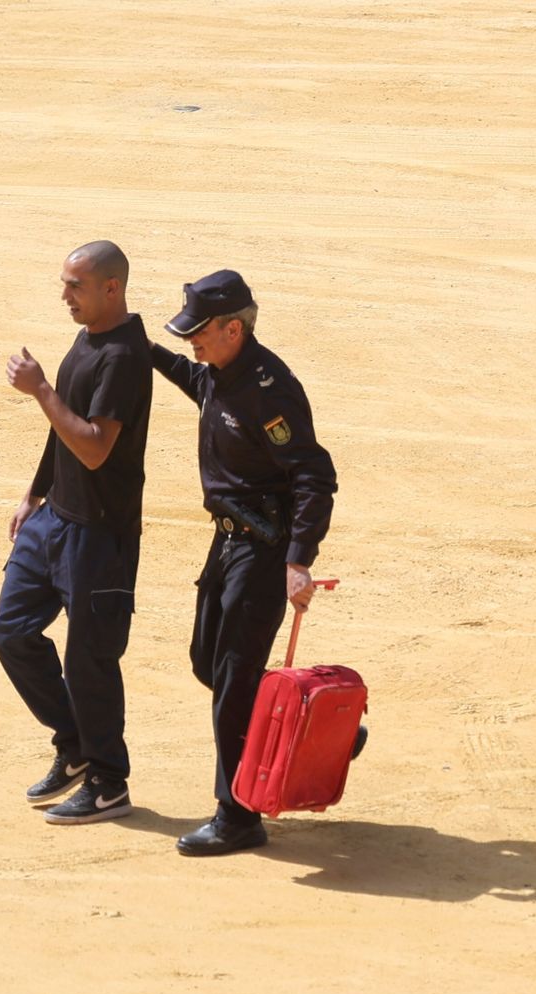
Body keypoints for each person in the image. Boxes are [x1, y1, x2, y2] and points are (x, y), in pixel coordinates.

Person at [150, 269, 342, 856]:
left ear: (234, 328)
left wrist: (298, 559)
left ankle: (236, 816)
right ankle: (313, 730)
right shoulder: (221, 371)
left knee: (232, 682)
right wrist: (147, 350)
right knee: (208, 663)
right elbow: (198, 382)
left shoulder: (269, 389)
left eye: (199, 333)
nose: (192, 344)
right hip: (228, 542)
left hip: (262, 551)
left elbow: (314, 475)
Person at [0, 241, 152, 824]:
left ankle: (109, 782)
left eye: (74, 286)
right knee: (11, 632)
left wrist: (39, 389)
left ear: (112, 287)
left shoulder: (125, 355)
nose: (64, 296)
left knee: (91, 661)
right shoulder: (88, 337)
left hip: (100, 536)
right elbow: (63, 430)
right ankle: (76, 743)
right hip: (55, 518)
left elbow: (92, 446)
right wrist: (33, 493)